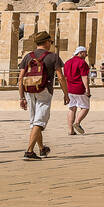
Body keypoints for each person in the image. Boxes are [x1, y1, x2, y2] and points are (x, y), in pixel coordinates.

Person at [17, 30, 66, 161]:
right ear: (46, 42)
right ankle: (29, 151)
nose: (51, 44)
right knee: (39, 121)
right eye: (50, 41)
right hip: (44, 90)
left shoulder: (28, 56)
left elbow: (20, 78)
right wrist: (66, 94)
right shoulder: (53, 56)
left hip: (29, 90)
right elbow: (60, 77)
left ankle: (42, 149)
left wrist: (21, 97)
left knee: (34, 121)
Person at [62, 45, 92, 135]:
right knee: (85, 107)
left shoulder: (67, 62)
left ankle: (70, 130)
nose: (86, 55)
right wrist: (87, 89)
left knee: (72, 108)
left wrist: (65, 91)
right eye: (85, 53)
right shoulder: (82, 63)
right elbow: (84, 77)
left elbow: (65, 77)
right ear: (80, 53)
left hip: (70, 89)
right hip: (79, 88)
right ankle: (77, 122)